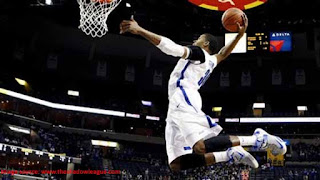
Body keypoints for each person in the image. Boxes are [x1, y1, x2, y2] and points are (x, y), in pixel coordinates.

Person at [120, 15, 286, 172]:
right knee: (176, 163)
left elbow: (172, 48)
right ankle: (229, 154)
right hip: (180, 101)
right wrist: (239, 36)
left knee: (200, 146)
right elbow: (223, 53)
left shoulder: (199, 53)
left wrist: (140, 30)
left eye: (198, 38)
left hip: (183, 97)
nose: (195, 41)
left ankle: (257, 139)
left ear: (205, 43)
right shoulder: (210, 60)